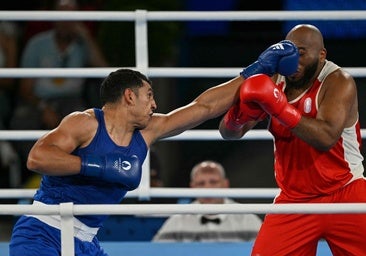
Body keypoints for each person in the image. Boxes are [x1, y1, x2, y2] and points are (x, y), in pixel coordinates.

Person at [9, 36, 298, 255]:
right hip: (43, 231)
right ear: (129, 97)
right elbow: (37, 157)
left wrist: (255, 71)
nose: (155, 103)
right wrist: (99, 166)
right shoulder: (85, 123)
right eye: (149, 95)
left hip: (87, 239)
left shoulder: (147, 131)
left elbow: (203, 107)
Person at [219, 24, 366, 256]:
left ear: (321, 55)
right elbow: (229, 132)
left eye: (301, 52)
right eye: (289, 51)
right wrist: (239, 116)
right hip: (294, 199)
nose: (293, 59)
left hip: (345, 190)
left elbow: (325, 136)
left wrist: (278, 107)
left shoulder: (338, 82)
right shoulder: (275, 79)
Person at [9, 0, 108, 184]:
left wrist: (86, 36)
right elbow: (25, 88)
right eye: (62, 14)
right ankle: (35, 175)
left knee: (87, 126)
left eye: (71, 15)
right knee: (21, 122)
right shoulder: (37, 44)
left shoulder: (82, 44)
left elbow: (104, 71)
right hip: (38, 100)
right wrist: (43, 107)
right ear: (53, 17)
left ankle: (72, 176)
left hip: (72, 101)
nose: (66, 20)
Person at [153, 160, 262, 242]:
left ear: (225, 184)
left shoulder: (245, 217)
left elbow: (267, 249)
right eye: (201, 183)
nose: (207, 188)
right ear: (192, 187)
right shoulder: (179, 219)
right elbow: (157, 250)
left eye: (213, 182)